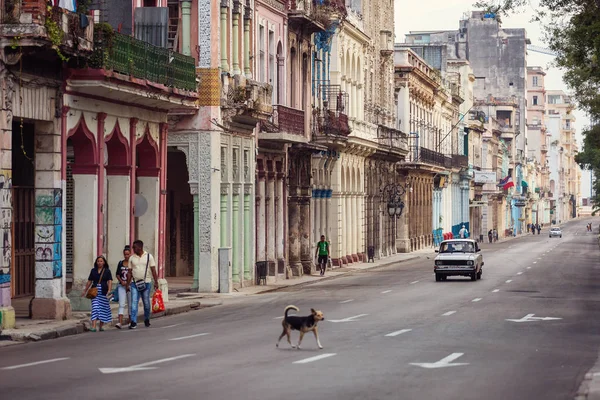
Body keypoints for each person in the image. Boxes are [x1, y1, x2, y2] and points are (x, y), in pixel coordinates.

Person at [126, 240, 159, 329]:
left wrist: (156, 282)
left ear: (139, 247)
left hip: (146, 282)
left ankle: (147, 318)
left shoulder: (149, 256)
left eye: (134, 247)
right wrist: (127, 284)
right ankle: (133, 321)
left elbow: (153, 270)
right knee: (134, 303)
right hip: (134, 283)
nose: (133, 249)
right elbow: (129, 272)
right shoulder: (132, 258)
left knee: (146, 303)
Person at [81, 255, 113, 332]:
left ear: (104, 262)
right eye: (98, 261)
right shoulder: (93, 271)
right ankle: (94, 326)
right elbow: (89, 281)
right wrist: (85, 290)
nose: (99, 263)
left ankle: (101, 326)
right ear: (96, 262)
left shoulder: (107, 271)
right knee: (95, 308)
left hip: (103, 292)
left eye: (101, 261)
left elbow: (110, 281)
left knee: (103, 309)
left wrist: (109, 290)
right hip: (94, 292)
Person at [114, 245, 132, 329]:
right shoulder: (120, 263)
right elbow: (117, 274)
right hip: (122, 285)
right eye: (125, 254)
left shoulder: (132, 264)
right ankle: (120, 322)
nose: (126, 256)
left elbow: (133, 274)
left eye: (128, 254)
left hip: (130, 286)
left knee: (130, 304)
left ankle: (130, 321)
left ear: (130, 254)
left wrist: (128, 283)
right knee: (121, 304)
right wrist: (121, 281)